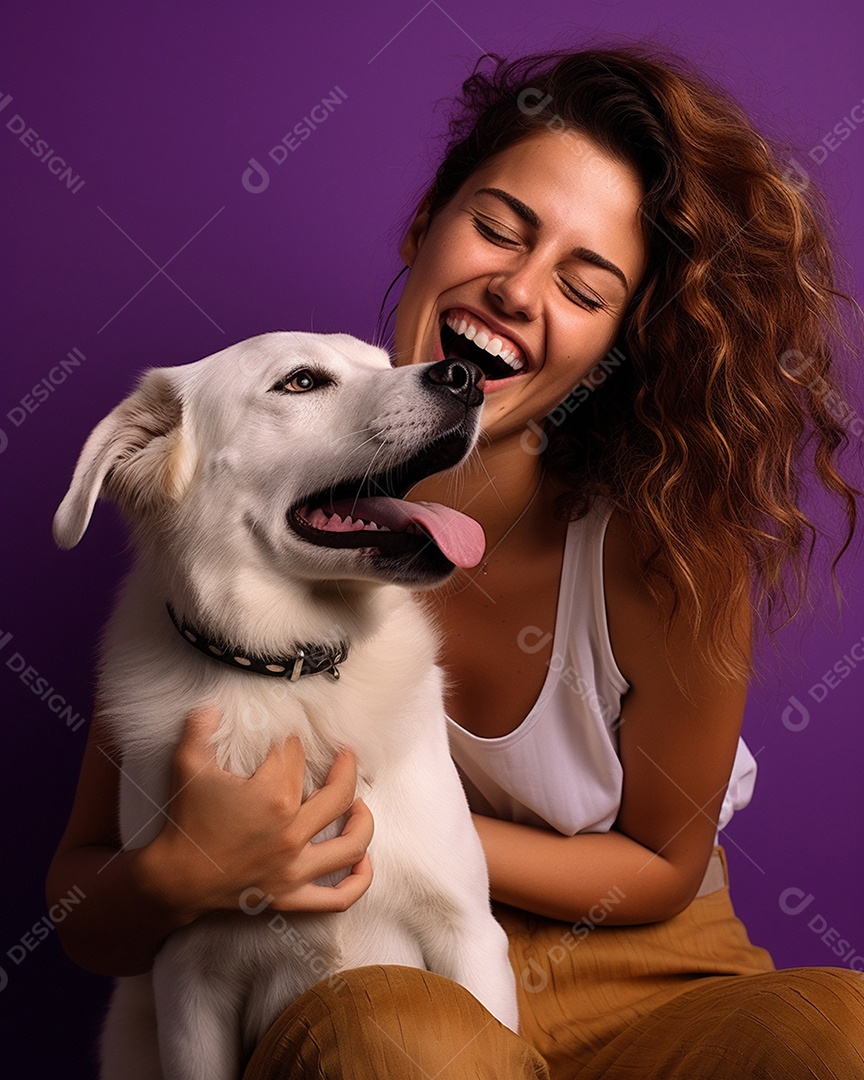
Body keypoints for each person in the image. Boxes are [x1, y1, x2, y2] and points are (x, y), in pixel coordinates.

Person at [47, 44, 864, 1079]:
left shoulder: (664, 549)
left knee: (841, 1034)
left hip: (651, 977)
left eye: (584, 281)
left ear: (624, 335)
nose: (520, 290)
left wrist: (379, 826)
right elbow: (87, 894)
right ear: (426, 219)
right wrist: (190, 870)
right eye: (497, 227)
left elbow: (662, 865)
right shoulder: (242, 518)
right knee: (398, 1038)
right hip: (363, 989)